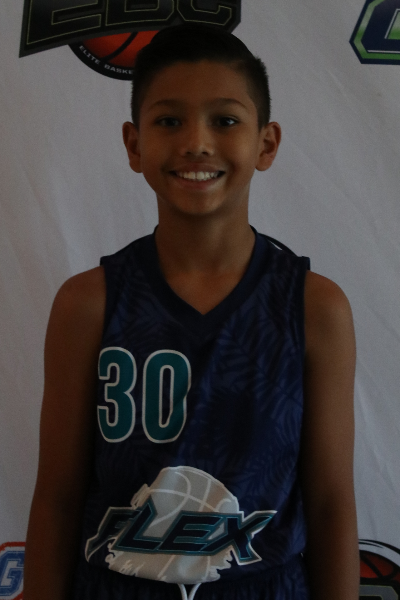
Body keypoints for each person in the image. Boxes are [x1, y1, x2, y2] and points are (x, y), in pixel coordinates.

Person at [24, 24, 359, 600]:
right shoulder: (87, 304)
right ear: (134, 144)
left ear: (266, 144)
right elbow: (57, 499)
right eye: (169, 121)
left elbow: (330, 504)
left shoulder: (315, 308)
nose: (197, 143)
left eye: (225, 120)